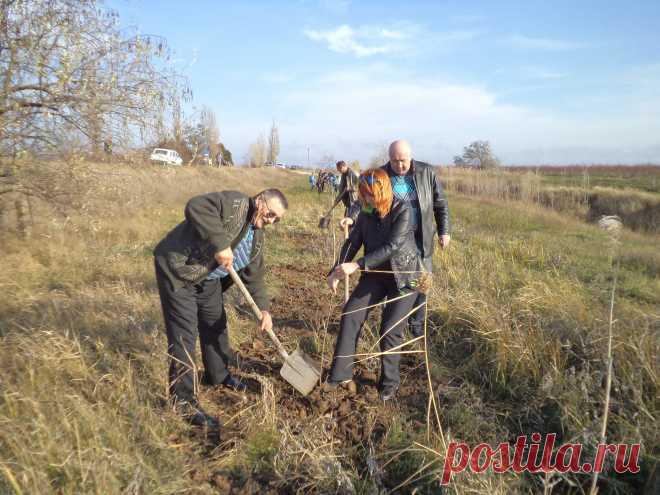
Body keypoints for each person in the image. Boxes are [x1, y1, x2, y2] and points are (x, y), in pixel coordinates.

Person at [154, 189, 288, 428]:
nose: (270, 221)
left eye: (276, 219)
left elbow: (254, 278)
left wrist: (264, 310)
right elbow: (195, 205)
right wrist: (221, 243)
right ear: (260, 201)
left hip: (208, 279)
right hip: (180, 270)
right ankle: (182, 401)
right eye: (270, 214)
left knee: (215, 323)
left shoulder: (257, 239)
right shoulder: (234, 204)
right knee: (184, 333)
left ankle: (218, 375)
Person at [326, 168, 420, 401]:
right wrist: (336, 270)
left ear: (383, 191)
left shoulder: (402, 209)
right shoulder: (366, 212)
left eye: (371, 194)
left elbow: (393, 246)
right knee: (351, 313)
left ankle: (389, 383)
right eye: (364, 194)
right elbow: (353, 241)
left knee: (389, 329)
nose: (367, 199)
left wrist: (357, 265)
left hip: (406, 277)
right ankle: (340, 374)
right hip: (376, 274)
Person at [340, 140, 450, 337]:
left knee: (421, 282)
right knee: (394, 280)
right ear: (389, 158)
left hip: (420, 238)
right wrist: (352, 216)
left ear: (410, 156)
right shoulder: (381, 175)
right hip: (392, 237)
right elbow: (363, 199)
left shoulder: (427, 173)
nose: (399, 165)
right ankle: (392, 323)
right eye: (394, 161)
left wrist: (444, 230)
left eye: (403, 161)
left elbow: (440, 204)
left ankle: (416, 325)